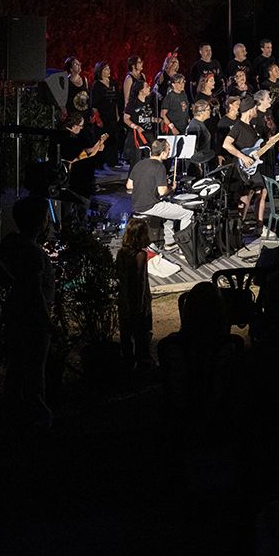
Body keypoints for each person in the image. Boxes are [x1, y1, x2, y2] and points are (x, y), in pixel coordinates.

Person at [0, 196, 55, 428]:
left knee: (17, 366)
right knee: (34, 369)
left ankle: (13, 410)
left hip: (16, 314)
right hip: (32, 320)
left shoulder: (14, 245)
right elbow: (34, 292)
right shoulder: (32, 253)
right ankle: (37, 417)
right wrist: (47, 322)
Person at [127, 138, 192, 276]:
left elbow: (129, 186)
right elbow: (163, 192)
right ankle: (184, 248)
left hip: (136, 204)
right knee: (186, 212)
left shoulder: (139, 164)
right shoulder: (159, 167)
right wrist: (171, 188)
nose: (169, 152)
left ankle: (169, 241)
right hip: (150, 206)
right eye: (168, 150)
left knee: (169, 210)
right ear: (162, 153)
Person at [115, 216, 153, 370]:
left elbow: (120, 276)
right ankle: (142, 364)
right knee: (141, 334)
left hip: (124, 298)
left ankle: (128, 362)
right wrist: (143, 303)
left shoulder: (121, 253)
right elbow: (140, 281)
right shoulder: (141, 255)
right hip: (137, 300)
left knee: (126, 334)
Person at [55, 109, 107, 201]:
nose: (82, 128)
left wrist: (97, 146)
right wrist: (95, 150)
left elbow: (83, 152)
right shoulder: (68, 138)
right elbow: (79, 157)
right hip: (69, 177)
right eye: (80, 126)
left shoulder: (70, 135)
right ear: (74, 126)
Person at [123, 78, 156, 164]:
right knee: (136, 159)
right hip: (136, 134)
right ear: (140, 90)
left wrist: (156, 120)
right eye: (147, 86)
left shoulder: (149, 101)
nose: (149, 88)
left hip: (148, 133)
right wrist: (135, 126)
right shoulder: (133, 103)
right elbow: (126, 118)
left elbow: (147, 116)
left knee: (153, 156)